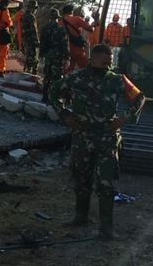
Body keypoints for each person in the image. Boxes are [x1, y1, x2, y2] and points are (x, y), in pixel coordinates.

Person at [50, 44, 145, 239]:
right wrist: (65, 115)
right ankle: (81, 216)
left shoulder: (117, 80)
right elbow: (53, 92)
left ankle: (106, 228)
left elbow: (139, 98)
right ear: (92, 59)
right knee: (81, 179)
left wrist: (124, 118)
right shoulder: (76, 79)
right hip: (82, 138)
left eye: (109, 62)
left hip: (106, 139)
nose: (106, 65)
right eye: (103, 61)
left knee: (106, 183)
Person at [39, 8, 68, 102]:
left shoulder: (44, 28)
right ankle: (54, 99)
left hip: (48, 55)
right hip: (57, 56)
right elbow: (64, 44)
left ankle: (45, 97)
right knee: (56, 78)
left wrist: (41, 55)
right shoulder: (60, 29)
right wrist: (67, 57)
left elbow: (42, 43)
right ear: (57, 18)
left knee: (47, 76)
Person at [61, 3, 96, 72]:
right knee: (85, 69)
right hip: (77, 49)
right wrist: (94, 24)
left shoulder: (59, 22)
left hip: (64, 49)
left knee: (68, 68)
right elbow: (90, 29)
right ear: (72, 11)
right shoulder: (77, 19)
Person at [21, 0, 40, 75]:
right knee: (33, 59)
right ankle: (32, 75)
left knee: (27, 57)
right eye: (35, 8)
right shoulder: (31, 17)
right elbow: (34, 30)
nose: (36, 10)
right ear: (32, 8)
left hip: (26, 40)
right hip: (31, 41)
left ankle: (26, 73)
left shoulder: (24, 15)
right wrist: (37, 42)